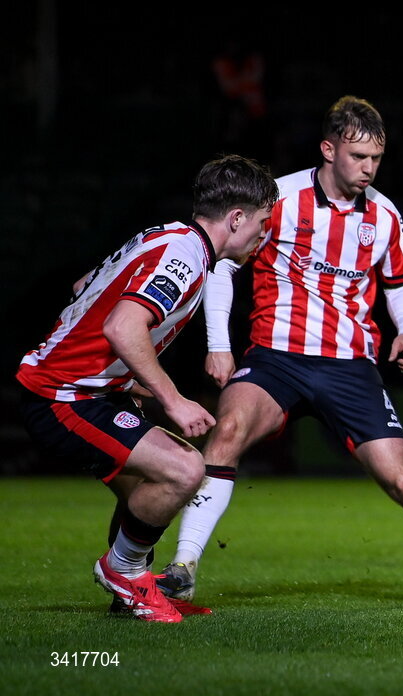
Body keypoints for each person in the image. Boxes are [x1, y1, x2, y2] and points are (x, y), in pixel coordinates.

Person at [157, 96, 403, 606]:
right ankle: (183, 566)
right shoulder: (279, 199)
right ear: (328, 149)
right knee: (228, 432)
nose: (369, 169)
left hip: (351, 366)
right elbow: (222, 266)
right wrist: (219, 345)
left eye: (376, 159)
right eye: (359, 157)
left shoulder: (386, 215)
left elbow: (401, 282)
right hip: (276, 358)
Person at [16, 154, 279, 622]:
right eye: (262, 222)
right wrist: (172, 399)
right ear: (236, 217)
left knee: (148, 488)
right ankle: (122, 572)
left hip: (87, 388)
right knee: (183, 470)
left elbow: (84, 286)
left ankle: (131, 591)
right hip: (63, 396)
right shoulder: (186, 257)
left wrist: (120, 374)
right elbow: (123, 326)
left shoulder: (165, 236)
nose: (264, 234)